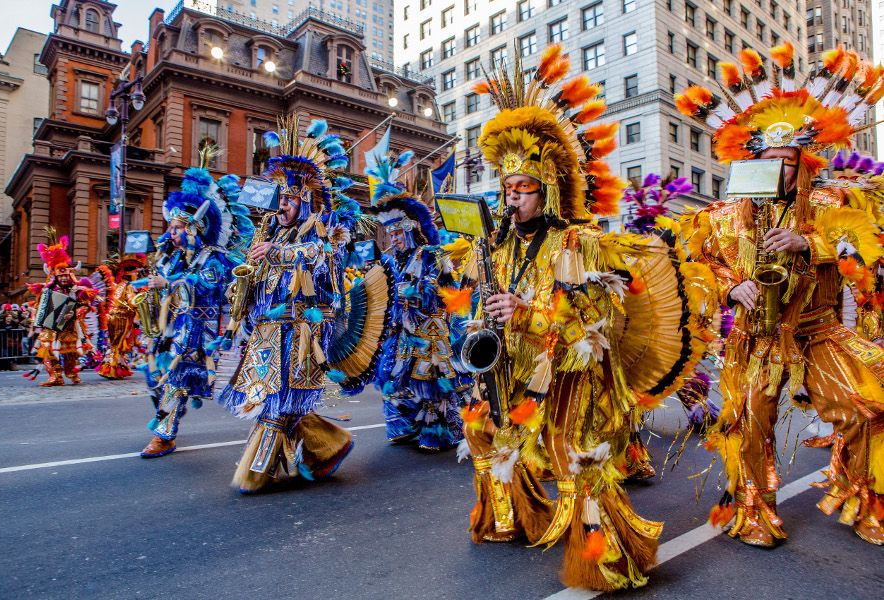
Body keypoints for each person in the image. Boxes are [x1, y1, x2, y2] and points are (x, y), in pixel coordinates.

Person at [458, 44, 706, 591]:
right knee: (484, 434)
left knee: (575, 457)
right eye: (507, 189)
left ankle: (605, 556)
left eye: (524, 189)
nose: (513, 198)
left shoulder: (577, 241)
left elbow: (593, 322)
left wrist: (526, 312)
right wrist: (487, 311)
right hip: (509, 365)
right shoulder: (495, 245)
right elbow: (484, 302)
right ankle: (515, 518)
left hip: (566, 369)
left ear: (545, 190)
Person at [676, 43, 884, 545]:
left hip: (816, 330)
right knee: (748, 423)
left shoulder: (833, 199)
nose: (779, 172)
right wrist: (732, 288)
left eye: (788, 162)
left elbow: (864, 241)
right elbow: (701, 265)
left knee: (866, 408)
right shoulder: (722, 215)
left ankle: (860, 492)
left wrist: (808, 242)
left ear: (804, 163)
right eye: (769, 161)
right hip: (755, 338)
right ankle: (754, 511)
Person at [217, 119, 356, 493]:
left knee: (280, 402)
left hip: (302, 331)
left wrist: (278, 251)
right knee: (269, 398)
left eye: (290, 199)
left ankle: (256, 472)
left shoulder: (325, 232)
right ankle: (327, 447)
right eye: (280, 198)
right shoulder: (271, 231)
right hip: (268, 328)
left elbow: (325, 257)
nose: (282, 205)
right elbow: (255, 276)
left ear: (305, 199)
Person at [140, 168, 249, 458]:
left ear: (194, 229)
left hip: (199, 334)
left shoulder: (214, 259)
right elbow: (162, 285)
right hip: (171, 330)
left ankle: (164, 435)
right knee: (155, 378)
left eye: (176, 228)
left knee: (175, 381)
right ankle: (167, 420)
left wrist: (171, 284)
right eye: (171, 227)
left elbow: (207, 288)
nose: (170, 233)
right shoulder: (175, 258)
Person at [368, 154, 470, 451]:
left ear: (411, 229)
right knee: (392, 374)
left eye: (398, 232)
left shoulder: (433, 255)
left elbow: (448, 293)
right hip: (400, 329)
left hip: (431, 329)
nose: (393, 238)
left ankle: (438, 431)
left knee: (432, 381)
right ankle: (402, 424)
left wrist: (420, 292)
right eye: (389, 232)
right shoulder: (388, 259)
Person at [26, 229, 97, 386]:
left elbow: (85, 304)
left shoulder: (77, 290)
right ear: (56, 277)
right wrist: (35, 320)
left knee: (72, 353)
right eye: (61, 276)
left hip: (71, 327)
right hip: (51, 329)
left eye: (66, 275)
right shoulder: (47, 291)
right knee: (47, 351)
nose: (64, 278)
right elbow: (39, 308)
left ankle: (71, 372)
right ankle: (55, 376)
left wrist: (77, 312)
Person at [97, 255, 147, 379]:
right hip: (121, 318)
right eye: (135, 272)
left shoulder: (119, 285)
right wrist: (144, 296)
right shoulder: (129, 286)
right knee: (118, 345)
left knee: (115, 344)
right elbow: (132, 302)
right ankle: (110, 369)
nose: (137, 274)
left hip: (112, 317)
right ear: (129, 273)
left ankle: (118, 368)